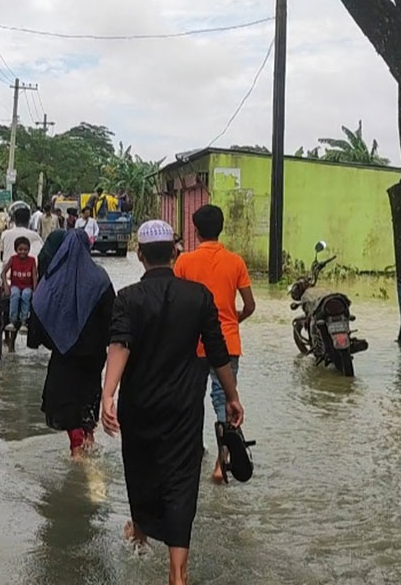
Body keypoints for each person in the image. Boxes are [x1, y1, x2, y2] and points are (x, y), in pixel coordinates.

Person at [101, 220, 243, 585]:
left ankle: (140, 532)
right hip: (183, 407)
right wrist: (232, 396)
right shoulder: (199, 298)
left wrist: (108, 394)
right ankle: (177, 573)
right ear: (175, 254)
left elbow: (120, 345)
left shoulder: (128, 298)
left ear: (140, 255)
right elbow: (217, 352)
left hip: (139, 405)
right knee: (181, 480)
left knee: (142, 470)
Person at [174, 204, 256, 483]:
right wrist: (232, 322)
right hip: (228, 343)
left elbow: (175, 303)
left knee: (191, 399)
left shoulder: (184, 262)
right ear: (221, 229)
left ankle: (194, 451)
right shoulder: (236, 262)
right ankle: (222, 464)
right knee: (224, 400)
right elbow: (250, 305)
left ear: (195, 231)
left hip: (192, 344)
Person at [33, 229, 115, 459]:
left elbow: (40, 308)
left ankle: (76, 448)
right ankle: (89, 437)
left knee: (65, 396)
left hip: (64, 352)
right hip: (94, 353)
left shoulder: (55, 279)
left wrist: (52, 340)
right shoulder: (100, 278)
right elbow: (112, 315)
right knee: (89, 391)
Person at [1, 237, 38, 331]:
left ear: (29, 250)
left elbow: (34, 276)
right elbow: (3, 273)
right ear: (16, 250)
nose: (23, 252)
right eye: (20, 249)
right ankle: (12, 321)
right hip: (15, 286)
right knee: (15, 295)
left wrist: (35, 290)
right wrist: (6, 286)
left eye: (25, 250)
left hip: (27, 286)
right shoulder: (13, 259)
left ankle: (24, 322)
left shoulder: (32, 260)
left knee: (26, 295)